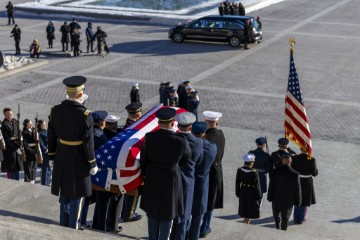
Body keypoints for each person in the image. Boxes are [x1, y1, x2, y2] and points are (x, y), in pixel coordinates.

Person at [48, 76, 99, 230]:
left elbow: (51, 136)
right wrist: (92, 163)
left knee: (64, 192)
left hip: (62, 155)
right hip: (79, 158)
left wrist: (52, 156)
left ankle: (63, 223)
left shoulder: (55, 110)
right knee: (77, 193)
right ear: (80, 94)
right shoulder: (85, 115)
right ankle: (73, 227)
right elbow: (88, 143)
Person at [140, 108, 191, 240]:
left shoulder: (149, 137)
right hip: (171, 178)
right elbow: (186, 160)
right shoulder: (181, 140)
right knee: (167, 213)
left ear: (159, 121)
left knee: (152, 212)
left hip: (152, 177)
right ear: (173, 122)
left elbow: (143, 160)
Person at [172, 112, 203, 240]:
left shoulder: (172, 139)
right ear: (190, 127)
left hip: (172, 180)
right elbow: (199, 161)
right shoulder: (198, 142)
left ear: (178, 125)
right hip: (187, 182)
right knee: (183, 216)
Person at [188, 122, 216, 240]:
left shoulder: (186, 145)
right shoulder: (212, 147)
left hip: (187, 183)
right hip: (201, 185)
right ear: (204, 134)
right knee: (197, 215)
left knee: (183, 215)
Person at [200, 111, 225, 238]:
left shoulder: (204, 138)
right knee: (211, 200)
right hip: (217, 171)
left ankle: (199, 225)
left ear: (205, 122)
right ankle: (205, 226)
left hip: (205, 172)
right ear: (217, 123)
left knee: (201, 198)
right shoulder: (221, 134)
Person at [267, 153, 301, 231]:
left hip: (276, 197)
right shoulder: (295, 174)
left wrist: (269, 197)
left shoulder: (275, 171)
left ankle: (277, 227)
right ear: (291, 162)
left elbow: (271, 185)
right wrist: (298, 202)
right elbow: (297, 189)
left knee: (276, 215)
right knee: (286, 217)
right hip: (289, 200)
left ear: (282, 161)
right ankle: (283, 231)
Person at [121, 102, 143, 222]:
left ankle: (127, 211)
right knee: (134, 189)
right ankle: (129, 214)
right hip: (134, 164)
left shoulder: (126, 127)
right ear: (138, 114)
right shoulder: (134, 129)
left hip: (126, 163)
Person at [291, 147, 318, 224]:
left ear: (300, 149)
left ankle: (296, 218)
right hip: (307, 182)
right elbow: (314, 173)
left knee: (297, 199)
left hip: (297, 180)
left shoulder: (295, 158)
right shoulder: (312, 159)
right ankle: (301, 218)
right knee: (305, 200)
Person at [235, 153, 262, 224]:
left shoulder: (240, 170)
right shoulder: (254, 172)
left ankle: (245, 222)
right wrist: (259, 196)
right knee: (249, 211)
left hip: (243, 191)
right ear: (251, 163)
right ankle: (245, 224)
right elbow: (257, 185)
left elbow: (237, 182)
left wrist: (238, 193)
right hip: (251, 193)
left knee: (244, 209)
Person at [1, 108, 21, 180]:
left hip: (16, 148)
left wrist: (20, 145)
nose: (10, 116)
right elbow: (7, 140)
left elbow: (19, 132)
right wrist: (16, 148)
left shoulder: (15, 121)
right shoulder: (3, 124)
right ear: (5, 115)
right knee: (11, 171)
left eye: (11, 114)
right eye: (8, 114)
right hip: (9, 150)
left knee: (17, 169)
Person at [22, 119, 37, 183]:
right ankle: (28, 181)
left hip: (35, 151)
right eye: (29, 124)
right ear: (26, 125)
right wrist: (31, 151)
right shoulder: (24, 132)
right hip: (28, 153)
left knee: (34, 167)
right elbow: (25, 144)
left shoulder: (34, 130)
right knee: (28, 168)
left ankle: (33, 180)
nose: (31, 125)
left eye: (31, 123)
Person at [37, 120, 51, 186]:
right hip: (43, 152)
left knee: (48, 168)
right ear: (40, 125)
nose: (44, 126)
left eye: (45, 124)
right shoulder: (39, 133)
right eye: (43, 124)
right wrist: (45, 149)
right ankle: (43, 183)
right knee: (44, 169)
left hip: (49, 152)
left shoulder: (47, 131)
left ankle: (47, 182)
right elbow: (40, 143)